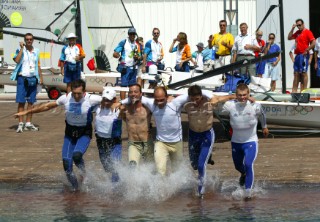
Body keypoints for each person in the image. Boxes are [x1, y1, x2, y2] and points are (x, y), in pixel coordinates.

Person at [14, 79, 102, 191]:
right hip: (70, 134)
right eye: (74, 93)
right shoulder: (66, 98)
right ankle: (76, 188)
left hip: (84, 133)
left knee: (77, 156)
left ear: (84, 92)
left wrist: (118, 105)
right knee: (66, 164)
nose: (76, 96)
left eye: (79, 93)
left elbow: (112, 100)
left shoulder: (91, 99)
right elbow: (47, 106)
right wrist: (26, 112)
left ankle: (83, 175)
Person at [121, 87, 214, 177]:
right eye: (157, 100)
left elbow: (196, 92)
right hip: (161, 143)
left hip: (177, 143)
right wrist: (121, 102)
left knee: (177, 173)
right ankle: (161, 191)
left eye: (162, 100)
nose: (159, 103)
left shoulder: (176, 102)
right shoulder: (152, 104)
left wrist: (212, 97)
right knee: (160, 170)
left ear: (167, 97)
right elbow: (135, 96)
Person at [184, 85, 235, 198]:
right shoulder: (187, 105)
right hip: (193, 135)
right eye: (192, 99)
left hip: (207, 134)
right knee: (194, 165)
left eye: (197, 99)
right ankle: (208, 156)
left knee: (201, 165)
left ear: (201, 96)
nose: (195, 101)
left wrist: (234, 95)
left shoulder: (209, 103)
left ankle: (200, 191)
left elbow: (222, 98)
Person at [221, 83, 269, 199]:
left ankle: (248, 192)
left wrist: (264, 127)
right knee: (238, 166)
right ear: (235, 95)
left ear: (248, 94)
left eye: (244, 95)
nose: (242, 97)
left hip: (251, 141)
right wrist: (229, 97)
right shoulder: (230, 105)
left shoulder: (255, 105)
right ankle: (244, 174)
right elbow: (215, 100)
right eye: (239, 95)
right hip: (236, 142)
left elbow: (262, 114)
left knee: (248, 164)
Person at [11, 33, 43, 133]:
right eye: (27, 39)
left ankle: (28, 123)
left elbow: (38, 65)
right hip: (22, 78)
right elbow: (16, 60)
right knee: (21, 102)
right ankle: (20, 124)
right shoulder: (20, 50)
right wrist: (21, 48)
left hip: (33, 78)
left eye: (30, 39)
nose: (29, 41)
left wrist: (41, 78)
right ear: (25, 40)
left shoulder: (36, 51)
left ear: (33, 40)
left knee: (30, 102)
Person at [121, 84, 154, 167]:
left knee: (151, 169)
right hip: (133, 143)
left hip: (147, 142)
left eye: (136, 92)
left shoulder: (147, 108)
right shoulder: (125, 109)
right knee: (132, 165)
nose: (133, 94)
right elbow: (125, 119)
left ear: (141, 94)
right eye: (131, 92)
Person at [94, 88, 122, 182]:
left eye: (109, 100)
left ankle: (115, 186)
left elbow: (129, 103)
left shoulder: (117, 109)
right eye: (104, 99)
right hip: (101, 142)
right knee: (107, 167)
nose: (106, 102)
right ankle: (121, 175)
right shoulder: (97, 108)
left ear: (114, 99)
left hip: (114, 142)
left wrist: (120, 102)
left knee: (115, 164)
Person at [288, 18, 315, 93]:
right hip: (297, 55)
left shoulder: (308, 32)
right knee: (296, 73)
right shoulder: (297, 32)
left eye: (300, 25)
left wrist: (307, 49)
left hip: (304, 56)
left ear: (303, 24)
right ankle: (294, 91)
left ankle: (303, 92)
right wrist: (292, 28)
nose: (299, 27)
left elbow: (313, 42)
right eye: (297, 25)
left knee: (303, 73)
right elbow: (289, 37)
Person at [113, 27, 141, 99]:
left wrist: (138, 57)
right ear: (128, 34)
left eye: (133, 34)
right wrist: (117, 55)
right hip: (125, 67)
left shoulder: (137, 44)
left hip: (134, 67)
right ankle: (123, 102)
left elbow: (139, 56)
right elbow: (115, 53)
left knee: (132, 87)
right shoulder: (124, 42)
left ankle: (130, 102)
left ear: (135, 35)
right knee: (124, 86)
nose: (132, 35)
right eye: (131, 34)